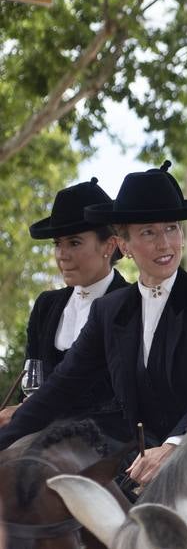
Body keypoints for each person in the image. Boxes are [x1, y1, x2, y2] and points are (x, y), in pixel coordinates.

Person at [0, 162, 187, 483]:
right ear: (124, 245)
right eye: (148, 232)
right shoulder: (110, 310)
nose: (165, 243)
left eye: (171, 228)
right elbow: (60, 387)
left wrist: (175, 446)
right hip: (135, 466)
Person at [0, 178, 129, 438]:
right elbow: (33, 381)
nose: (61, 254)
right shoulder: (46, 306)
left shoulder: (130, 305)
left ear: (109, 245)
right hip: (41, 432)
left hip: (107, 442)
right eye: (57, 244)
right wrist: (21, 410)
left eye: (74, 242)